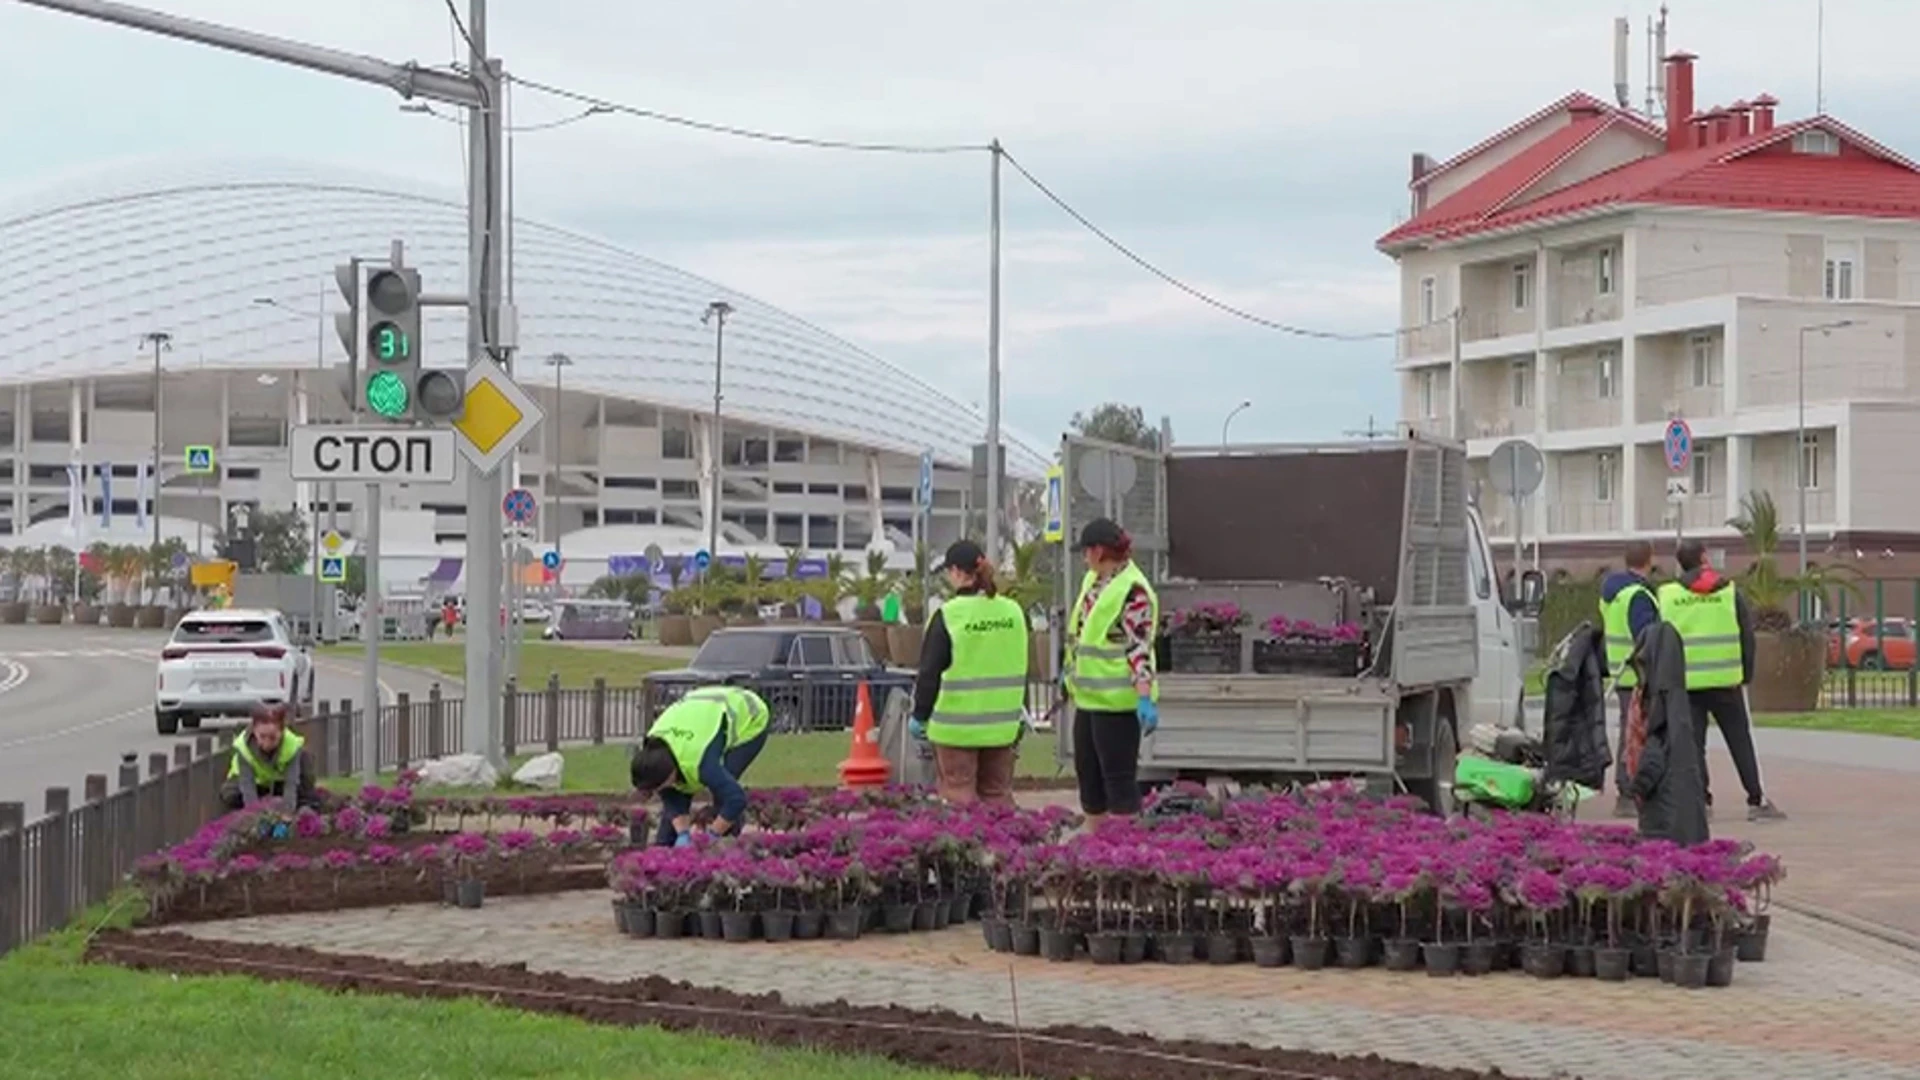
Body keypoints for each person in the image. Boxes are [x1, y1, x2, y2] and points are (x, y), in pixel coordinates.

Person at [1656, 541, 1786, 822]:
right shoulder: (1728, 591)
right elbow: (1746, 636)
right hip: (1727, 680)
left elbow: (1661, 640)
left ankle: (1701, 801)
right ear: (1704, 558)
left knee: (1694, 744)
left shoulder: (1666, 595)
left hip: (1688, 681)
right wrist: (1745, 674)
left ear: (1680, 563)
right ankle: (1756, 799)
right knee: (1740, 740)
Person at [909, 539, 1029, 806]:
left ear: (956, 572)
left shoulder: (949, 616)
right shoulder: (1013, 612)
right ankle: (1005, 846)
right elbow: (1021, 665)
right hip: (1002, 728)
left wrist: (920, 715)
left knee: (958, 797)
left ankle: (968, 848)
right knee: (998, 797)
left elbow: (930, 673)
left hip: (956, 729)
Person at [1064, 517, 1159, 823]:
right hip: (1089, 701)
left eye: (1086, 551)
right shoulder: (1093, 583)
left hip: (1118, 704)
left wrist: (1144, 696)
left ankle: (1122, 853)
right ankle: (1096, 848)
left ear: (1100, 551)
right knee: (1089, 783)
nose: (1084, 558)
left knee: (1118, 784)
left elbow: (1138, 646)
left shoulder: (1133, 590)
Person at [629, 685, 771, 846]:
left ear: (669, 774)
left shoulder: (701, 763)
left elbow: (736, 799)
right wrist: (682, 834)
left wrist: (711, 836)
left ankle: (729, 844)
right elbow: (672, 797)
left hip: (749, 715)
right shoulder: (654, 750)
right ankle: (666, 847)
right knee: (674, 800)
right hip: (702, 710)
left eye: (654, 789)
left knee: (723, 790)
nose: (652, 794)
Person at [1599, 540, 1661, 818]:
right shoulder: (1638, 595)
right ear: (1649, 560)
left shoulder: (1613, 593)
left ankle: (1627, 788)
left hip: (1621, 671)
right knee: (1633, 733)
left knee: (1629, 730)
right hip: (1636, 672)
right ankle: (1627, 790)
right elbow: (1646, 637)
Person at [221, 703, 318, 810]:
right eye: (262, 737)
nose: (267, 743)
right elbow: (247, 786)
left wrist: (288, 814)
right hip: (256, 785)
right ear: (254, 731)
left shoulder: (292, 745)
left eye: (273, 738)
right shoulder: (243, 747)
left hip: (279, 784)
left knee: (305, 763)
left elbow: (291, 784)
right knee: (230, 793)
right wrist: (254, 816)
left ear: (282, 732)